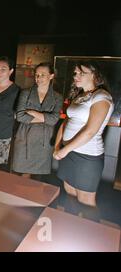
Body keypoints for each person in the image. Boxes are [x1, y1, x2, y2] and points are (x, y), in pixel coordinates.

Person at [54, 61, 114, 207]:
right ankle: (69, 227)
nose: (76, 76)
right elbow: (65, 123)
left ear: (95, 75)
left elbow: (91, 130)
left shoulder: (101, 96)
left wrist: (64, 150)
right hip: (68, 153)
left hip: (86, 157)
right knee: (70, 194)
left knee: (86, 202)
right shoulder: (80, 95)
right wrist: (57, 147)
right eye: (75, 73)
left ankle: (89, 229)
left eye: (82, 73)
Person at [12, 62, 63, 178]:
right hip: (25, 137)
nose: (38, 78)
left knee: (39, 176)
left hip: (44, 140)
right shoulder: (26, 93)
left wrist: (33, 112)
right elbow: (20, 116)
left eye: (42, 75)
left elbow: (54, 120)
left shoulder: (57, 97)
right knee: (22, 174)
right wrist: (45, 118)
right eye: (36, 75)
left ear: (51, 76)